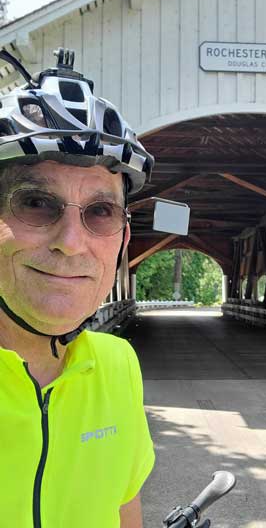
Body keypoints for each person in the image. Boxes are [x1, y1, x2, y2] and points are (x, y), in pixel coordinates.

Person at [0, 48, 155, 527]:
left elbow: (124, 509)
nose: (72, 243)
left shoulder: (117, 366)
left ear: (123, 239)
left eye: (101, 212)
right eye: (36, 203)